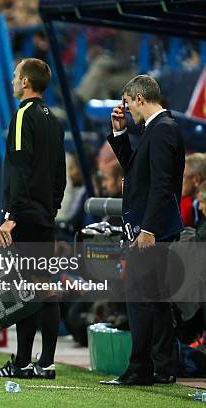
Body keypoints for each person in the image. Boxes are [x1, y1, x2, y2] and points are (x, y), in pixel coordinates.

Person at [0, 58, 66, 379]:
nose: (13, 80)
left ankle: (21, 364)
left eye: (16, 76)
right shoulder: (55, 120)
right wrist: (51, 207)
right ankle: (45, 363)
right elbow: (60, 173)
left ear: (27, 83)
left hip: (25, 214)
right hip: (44, 213)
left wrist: (13, 215)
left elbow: (19, 166)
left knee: (24, 290)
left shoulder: (22, 116)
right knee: (45, 288)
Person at [102, 75, 184, 386]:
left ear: (139, 98)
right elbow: (137, 172)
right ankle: (164, 367)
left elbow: (162, 186)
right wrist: (120, 133)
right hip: (154, 228)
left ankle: (140, 368)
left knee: (139, 298)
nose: (127, 111)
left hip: (153, 231)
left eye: (127, 104)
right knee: (158, 300)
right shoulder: (159, 129)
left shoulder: (163, 130)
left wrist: (148, 228)